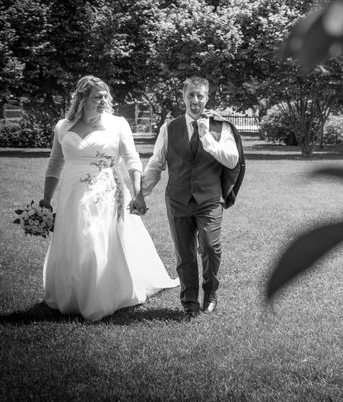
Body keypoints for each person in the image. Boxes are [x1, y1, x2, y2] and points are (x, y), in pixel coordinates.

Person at [40, 75, 178, 322]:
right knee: (74, 241)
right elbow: (55, 164)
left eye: (105, 96)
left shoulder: (117, 124)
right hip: (71, 194)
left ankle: (100, 297)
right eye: (97, 97)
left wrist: (138, 193)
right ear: (82, 99)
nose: (103, 101)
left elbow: (133, 160)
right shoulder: (62, 126)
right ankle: (73, 295)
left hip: (106, 192)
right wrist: (45, 199)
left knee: (95, 238)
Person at [131, 76, 245, 321]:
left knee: (210, 247)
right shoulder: (168, 128)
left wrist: (207, 139)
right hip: (178, 199)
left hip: (209, 199)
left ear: (207, 98)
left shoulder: (220, 127)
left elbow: (232, 159)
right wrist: (142, 193)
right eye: (191, 95)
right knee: (184, 253)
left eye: (200, 96)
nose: (196, 100)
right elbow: (156, 164)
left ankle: (211, 294)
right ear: (183, 97)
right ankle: (190, 302)